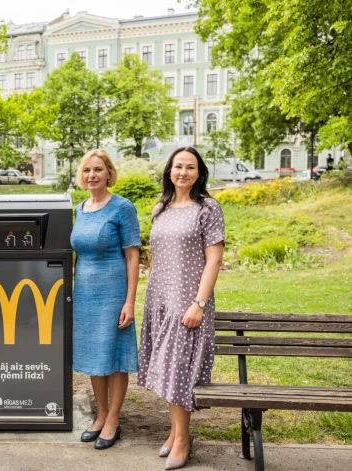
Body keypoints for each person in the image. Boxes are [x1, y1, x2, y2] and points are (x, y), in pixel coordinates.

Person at [138, 147, 225, 470]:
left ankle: (183, 441)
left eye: (190, 167)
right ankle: (175, 433)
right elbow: (157, 255)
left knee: (177, 370)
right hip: (161, 297)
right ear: (169, 171)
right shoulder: (160, 208)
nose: (183, 172)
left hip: (189, 301)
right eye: (178, 166)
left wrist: (199, 303)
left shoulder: (208, 208)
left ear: (199, 172)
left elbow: (214, 258)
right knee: (165, 368)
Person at [70, 149, 141, 450]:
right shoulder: (78, 209)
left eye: (98, 170)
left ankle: (113, 419)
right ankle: (99, 415)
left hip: (113, 292)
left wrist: (129, 301)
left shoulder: (123, 208)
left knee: (114, 358)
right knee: (94, 357)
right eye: (87, 170)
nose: (92, 175)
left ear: (109, 173)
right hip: (85, 294)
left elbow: (133, 256)